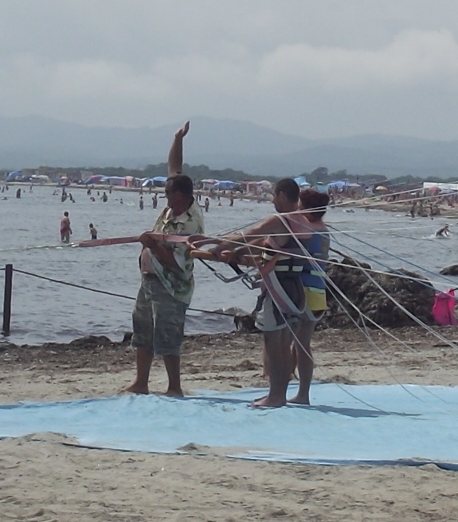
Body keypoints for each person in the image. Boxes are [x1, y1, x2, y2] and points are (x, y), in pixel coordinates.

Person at [204, 178, 311, 407]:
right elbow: (265, 244)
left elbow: (251, 234)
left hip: (278, 290)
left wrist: (219, 248)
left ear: (282, 195)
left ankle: (275, 396)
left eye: (273, 195)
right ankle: (278, 395)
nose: (272, 200)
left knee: (274, 343)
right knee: (283, 343)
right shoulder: (303, 220)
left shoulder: (280, 219)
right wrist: (237, 253)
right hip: (295, 289)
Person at [126, 122, 203, 398]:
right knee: (142, 328)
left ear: (182, 195)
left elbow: (175, 262)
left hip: (171, 285)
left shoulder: (189, 221)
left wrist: (152, 244)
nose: (166, 195)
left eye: (170, 192)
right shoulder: (172, 206)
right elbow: (174, 167)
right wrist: (177, 138)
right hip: (149, 279)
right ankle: (141, 382)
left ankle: (174, 387)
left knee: (168, 334)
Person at [291, 188, 331, 405]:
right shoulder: (324, 230)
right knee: (302, 344)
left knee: (290, 342)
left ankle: (281, 390)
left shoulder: (305, 228)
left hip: (303, 290)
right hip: (319, 292)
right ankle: (302, 393)